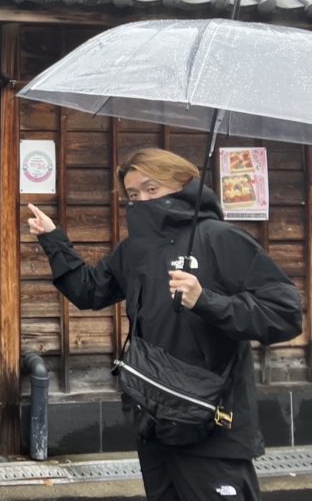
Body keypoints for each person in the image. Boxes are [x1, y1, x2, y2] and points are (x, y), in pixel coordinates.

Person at [26, 147, 302, 501]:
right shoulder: (136, 249)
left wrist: (206, 301)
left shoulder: (218, 237)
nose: (142, 200)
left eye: (151, 188)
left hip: (213, 425)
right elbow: (89, 291)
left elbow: (284, 313)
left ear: (183, 183)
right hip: (154, 420)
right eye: (133, 194)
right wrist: (53, 239)